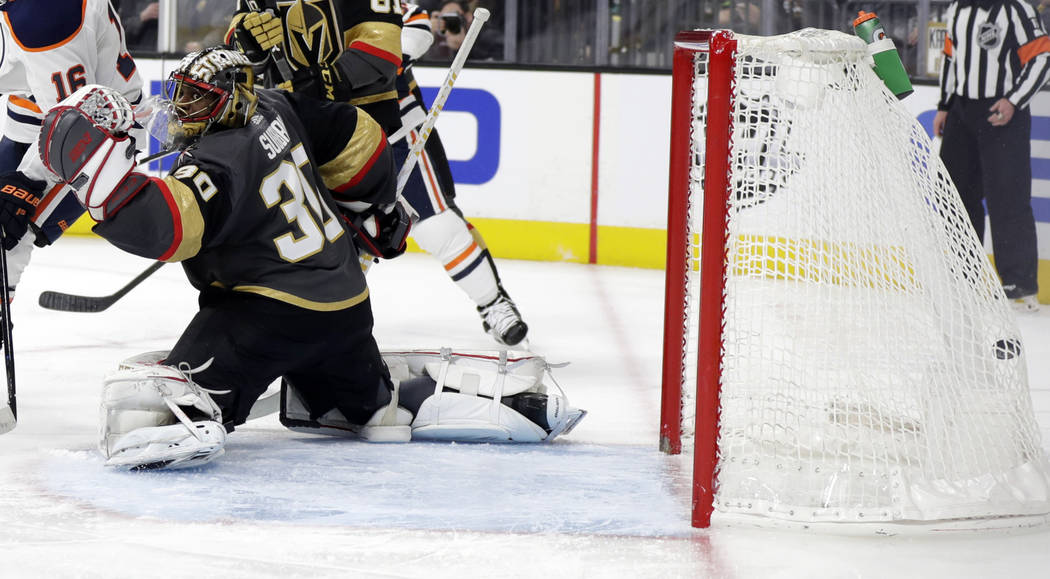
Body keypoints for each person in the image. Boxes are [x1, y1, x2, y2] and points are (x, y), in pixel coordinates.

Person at [27, 47, 584, 470]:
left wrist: (94, 171)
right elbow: (356, 134)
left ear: (233, 97)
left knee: (149, 410)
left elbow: (170, 226)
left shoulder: (218, 160)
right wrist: (371, 211)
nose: (185, 108)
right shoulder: (274, 105)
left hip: (266, 318)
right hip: (345, 308)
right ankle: (483, 403)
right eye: (184, 94)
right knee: (372, 410)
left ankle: (204, 410)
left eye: (201, 98)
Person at [228, 0, 529, 345]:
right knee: (335, 238)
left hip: (391, 124)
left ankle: (493, 303)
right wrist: (251, 50)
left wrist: (346, 73)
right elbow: (242, 54)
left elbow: (414, 31)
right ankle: (328, 318)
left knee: (435, 225)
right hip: (315, 126)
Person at [0, 0, 145, 302]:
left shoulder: (43, 15)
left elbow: (76, 129)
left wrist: (26, 185)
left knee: (8, 228)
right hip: (34, 111)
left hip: (102, 132)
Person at [933, 0, 1050, 312]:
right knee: (954, 198)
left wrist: (1014, 100)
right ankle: (963, 279)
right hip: (961, 112)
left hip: (1002, 113)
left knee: (1008, 198)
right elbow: (950, 57)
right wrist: (945, 105)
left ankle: (1019, 287)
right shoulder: (957, 8)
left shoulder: (1016, 9)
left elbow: (1041, 57)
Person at [426, 0, 500, 60]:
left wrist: (464, 48)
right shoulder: (438, 40)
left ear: (468, 17)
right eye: (445, 18)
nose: (450, 22)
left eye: (454, 17)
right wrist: (429, 34)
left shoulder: (488, 37)